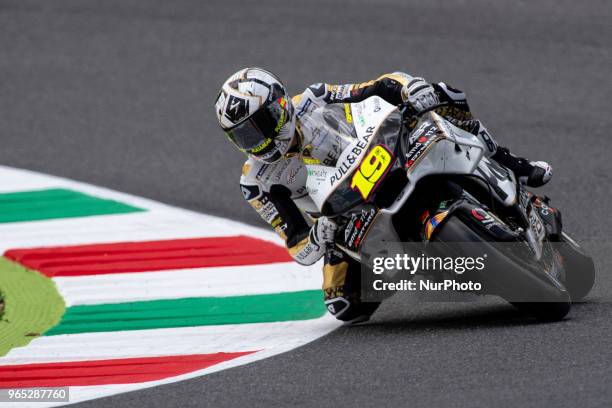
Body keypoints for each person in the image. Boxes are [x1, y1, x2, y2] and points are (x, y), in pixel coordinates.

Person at [214, 67, 552, 324]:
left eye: (259, 126)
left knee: (443, 95)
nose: (257, 143)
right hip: (344, 218)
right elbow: (298, 245)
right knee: (343, 305)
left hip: (382, 157)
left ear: (280, 106)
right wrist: (319, 235)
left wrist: (409, 88)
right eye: (243, 137)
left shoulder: (315, 98)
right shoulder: (256, 182)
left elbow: (377, 86)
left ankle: (510, 163)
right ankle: (431, 270)